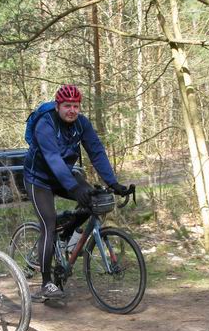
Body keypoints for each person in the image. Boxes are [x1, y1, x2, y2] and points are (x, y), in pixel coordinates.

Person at [24, 84, 131, 302]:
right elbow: (53, 158)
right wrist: (72, 187)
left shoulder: (81, 124)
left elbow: (96, 151)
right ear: (57, 106)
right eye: (67, 106)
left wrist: (113, 183)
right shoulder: (46, 124)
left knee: (92, 199)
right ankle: (47, 283)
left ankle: (66, 233)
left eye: (76, 105)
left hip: (65, 175)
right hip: (39, 180)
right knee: (48, 224)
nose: (72, 110)